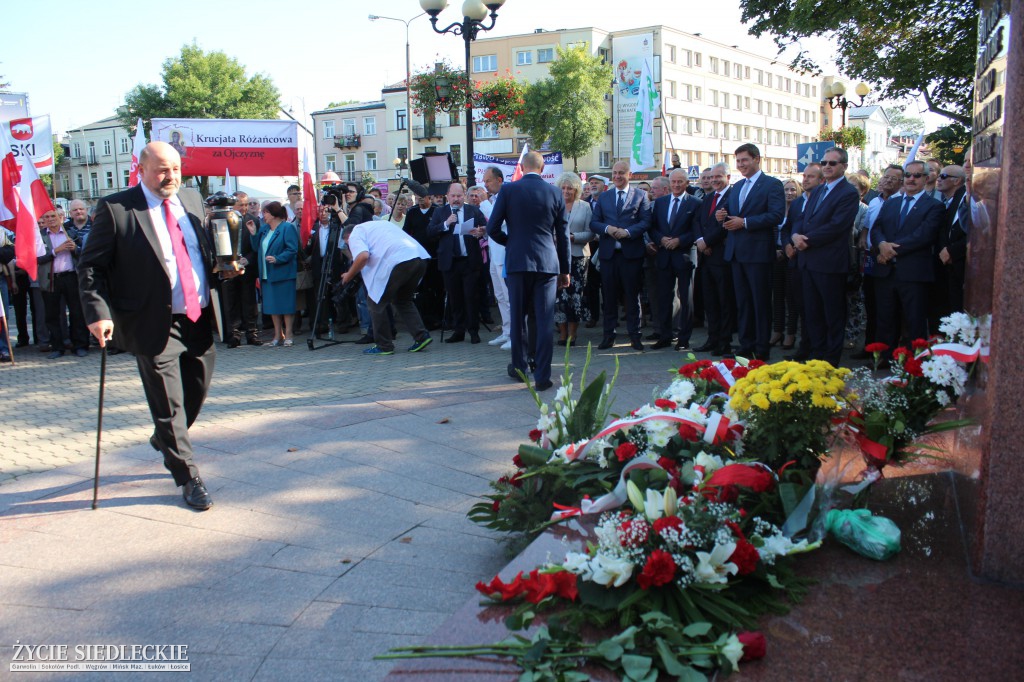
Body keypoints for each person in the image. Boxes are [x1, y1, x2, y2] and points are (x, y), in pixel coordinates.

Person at [78, 141, 235, 510]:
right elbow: (91, 266)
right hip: (153, 321)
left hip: (197, 316)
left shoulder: (194, 201)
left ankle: (164, 438)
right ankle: (187, 475)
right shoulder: (117, 208)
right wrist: (97, 312)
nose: (171, 177)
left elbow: (204, 253)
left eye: (176, 169)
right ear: (142, 169)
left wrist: (226, 266)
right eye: (163, 169)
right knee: (168, 405)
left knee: (196, 391)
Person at [487, 151, 569, 392]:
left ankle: (520, 366)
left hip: (517, 262)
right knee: (544, 320)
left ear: (521, 167)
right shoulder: (555, 192)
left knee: (518, 316)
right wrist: (565, 270)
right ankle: (542, 375)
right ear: (542, 168)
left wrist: (510, 243)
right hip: (547, 264)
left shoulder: (509, 191)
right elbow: (562, 235)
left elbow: (492, 228)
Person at [790, 147, 861, 366]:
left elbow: (837, 226)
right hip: (808, 261)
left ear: (844, 167)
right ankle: (816, 355)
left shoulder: (848, 193)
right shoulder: (819, 190)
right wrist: (794, 235)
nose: (827, 167)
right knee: (813, 312)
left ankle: (830, 359)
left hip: (829, 263)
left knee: (832, 314)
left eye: (833, 163)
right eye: (825, 163)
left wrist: (806, 240)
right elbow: (802, 217)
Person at [867, 160, 944, 353]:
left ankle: (912, 364)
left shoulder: (934, 206)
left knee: (914, 321)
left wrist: (890, 250)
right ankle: (883, 359)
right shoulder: (891, 203)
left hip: (913, 273)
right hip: (886, 271)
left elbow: (924, 235)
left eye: (917, 176)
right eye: (908, 175)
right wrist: (882, 244)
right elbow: (877, 228)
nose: (911, 179)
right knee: (885, 318)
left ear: (926, 178)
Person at [717, 143, 785, 360]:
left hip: (758, 254)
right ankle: (745, 344)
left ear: (757, 159)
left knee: (760, 301)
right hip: (737, 253)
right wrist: (722, 217)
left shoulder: (771, 185)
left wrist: (745, 222)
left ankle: (762, 346)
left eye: (744, 160)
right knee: (743, 302)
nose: (741, 165)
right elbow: (731, 215)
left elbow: (776, 215)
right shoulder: (737, 187)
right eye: (737, 161)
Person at [341, 220, 432, 355]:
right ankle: (421, 336)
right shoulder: (379, 225)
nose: (350, 248)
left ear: (347, 237)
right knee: (403, 300)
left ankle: (384, 345)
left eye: (348, 245)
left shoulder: (355, 234)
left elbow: (363, 256)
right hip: (419, 257)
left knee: (375, 301)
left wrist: (348, 275)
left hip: (399, 262)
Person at [590, 160, 652, 351]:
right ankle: (609, 335)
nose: (617, 176)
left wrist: (628, 232)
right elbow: (594, 223)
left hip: (631, 255)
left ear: (629, 175)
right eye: (614, 173)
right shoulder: (605, 197)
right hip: (609, 255)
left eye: (621, 173)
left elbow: (646, 221)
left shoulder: (641, 195)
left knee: (632, 296)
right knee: (608, 297)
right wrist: (608, 229)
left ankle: (635, 335)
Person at [427, 182, 488, 344]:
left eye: (459, 196)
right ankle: (458, 330)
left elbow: (485, 227)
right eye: (453, 196)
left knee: (471, 297)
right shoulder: (440, 212)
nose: (456, 199)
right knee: (455, 298)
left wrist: (481, 232)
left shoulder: (473, 210)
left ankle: (473, 331)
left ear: (464, 196)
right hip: (450, 262)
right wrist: (446, 224)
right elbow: (430, 232)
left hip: (469, 261)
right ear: (447, 196)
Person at [649, 169, 700, 350]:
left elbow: (696, 229)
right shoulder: (660, 203)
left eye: (680, 182)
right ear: (669, 183)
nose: (677, 185)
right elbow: (652, 227)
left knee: (686, 299)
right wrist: (660, 239)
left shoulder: (695, 203)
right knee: (664, 297)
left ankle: (684, 339)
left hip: (684, 255)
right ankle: (665, 335)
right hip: (664, 256)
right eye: (674, 182)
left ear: (687, 183)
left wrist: (680, 240)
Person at [693, 163, 735, 355]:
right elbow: (697, 222)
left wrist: (707, 241)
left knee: (724, 302)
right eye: (711, 177)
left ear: (728, 177)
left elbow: (726, 225)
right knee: (710, 301)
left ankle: (724, 342)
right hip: (706, 258)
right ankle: (712, 338)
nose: (714, 180)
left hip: (722, 257)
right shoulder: (709, 198)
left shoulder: (732, 196)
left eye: (719, 176)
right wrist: (701, 241)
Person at [37, 209, 90, 358]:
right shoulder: (40, 237)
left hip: (71, 277)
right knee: (52, 314)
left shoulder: (71, 233)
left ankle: (80, 345)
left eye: (53, 216)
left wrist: (76, 249)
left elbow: (84, 254)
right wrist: (56, 251)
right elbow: (37, 259)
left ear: (61, 217)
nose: (50, 219)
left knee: (76, 312)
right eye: (46, 217)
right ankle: (57, 347)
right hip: (51, 279)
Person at [246, 201, 299, 346]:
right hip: (267, 274)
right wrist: (253, 234)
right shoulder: (264, 229)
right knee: (272, 306)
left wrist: (278, 259)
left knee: (286, 306)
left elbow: (292, 249)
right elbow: (257, 248)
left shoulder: (287, 228)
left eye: (266, 212)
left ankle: (288, 334)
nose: (263, 215)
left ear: (274, 214)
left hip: (283, 274)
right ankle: (277, 335)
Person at [553, 172, 593, 347]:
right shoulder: (553, 205)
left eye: (570, 188)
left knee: (575, 296)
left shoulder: (584, 207)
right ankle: (562, 334)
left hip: (579, 256)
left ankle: (572, 334)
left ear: (576, 189)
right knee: (559, 297)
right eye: (563, 187)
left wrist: (573, 237)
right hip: (556, 256)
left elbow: (591, 233)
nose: (566, 191)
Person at [219, 191, 262, 347]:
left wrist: (248, 259)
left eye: (246, 204)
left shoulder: (254, 221)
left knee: (249, 301)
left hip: (247, 269)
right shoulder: (224, 220)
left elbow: (257, 246)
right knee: (231, 302)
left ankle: (252, 333)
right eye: (241, 204)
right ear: (233, 204)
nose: (244, 208)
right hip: (229, 268)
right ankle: (234, 335)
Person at [772, 178, 801, 351]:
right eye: (786, 189)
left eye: (792, 189)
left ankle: (790, 333)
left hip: (793, 255)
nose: (789, 193)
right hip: (775, 256)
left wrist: (789, 249)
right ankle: (777, 331)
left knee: (792, 298)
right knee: (777, 297)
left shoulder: (799, 210)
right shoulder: (777, 210)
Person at [936, 165, 969, 314]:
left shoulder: (966, 198)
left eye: (943, 176)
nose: (938, 179)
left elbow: (977, 231)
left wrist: (952, 251)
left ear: (957, 181)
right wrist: (944, 248)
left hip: (962, 266)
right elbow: (943, 230)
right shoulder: (948, 202)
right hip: (947, 267)